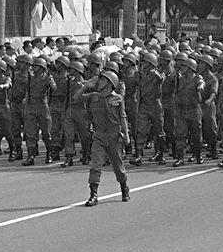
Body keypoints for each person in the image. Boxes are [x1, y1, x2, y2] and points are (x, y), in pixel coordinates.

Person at [73, 70, 130, 207]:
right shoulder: (94, 96)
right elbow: (76, 97)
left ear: (110, 84)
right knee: (95, 165)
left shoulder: (117, 98)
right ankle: (93, 195)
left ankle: (124, 186)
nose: (100, 82)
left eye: (103, 80)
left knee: (118, 167)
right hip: (99, 136)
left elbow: (122, 117)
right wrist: (86, 86)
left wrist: (126, 135)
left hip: (113, 136)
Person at [130, 51, 165, 166]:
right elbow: (132, 83)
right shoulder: (140, 74)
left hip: (155, 106)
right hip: (144, 105)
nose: (144, 64)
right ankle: (139, 155)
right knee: (140, 131)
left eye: (146, 62)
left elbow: (161, 79)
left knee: (159, 131)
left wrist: (155, 72)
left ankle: (160, 153)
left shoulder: (158, 75)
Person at [22, 57, 56, 166]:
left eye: (36, 66)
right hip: (32, 105)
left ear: (42, 68)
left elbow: (54, 88)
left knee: (46, 132)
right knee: (30, 133)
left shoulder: (47, 78)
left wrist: (51, 83)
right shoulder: (30, 78)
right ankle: (30, 156)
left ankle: (49, 153)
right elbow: (26, 91)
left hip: (43, 105)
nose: (33, 68)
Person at [173, 57, 204, 167]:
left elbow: (201, 83)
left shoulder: (197, 78)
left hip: (194, 110)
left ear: (190, 68)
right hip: (182, 110)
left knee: (196, 134)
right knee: (180, 134)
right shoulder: (180, 79)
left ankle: (198, 155)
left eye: (184, 66)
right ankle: (180, 158)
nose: (182, 68)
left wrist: (200, 87)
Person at [61, 61, 90, 168]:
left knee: (84, 135)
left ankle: (86, 154)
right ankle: (69, 156)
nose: (70, 71)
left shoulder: (84, 83)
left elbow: (87, 97)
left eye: (72, 69)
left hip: (81, 110)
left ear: (77, 71)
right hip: (70, 109)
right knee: (69, 135)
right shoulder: (69, 82)